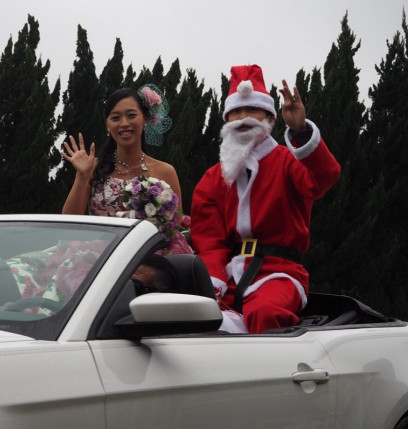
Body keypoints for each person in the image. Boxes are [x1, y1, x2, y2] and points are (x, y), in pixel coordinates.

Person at [190, 64, 341, 334]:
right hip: (230, 276)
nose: (243, 118)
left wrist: (301, 131)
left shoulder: (288, 162)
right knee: (200, 322)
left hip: (279, 273)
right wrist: (212, 284)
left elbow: (323, 178)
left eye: (251, 111)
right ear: (226, 119)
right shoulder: (213, 178)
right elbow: (210, 242)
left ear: (269, 118)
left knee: (266, 313)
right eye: (236, 111)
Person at [61, 85, 192, 255]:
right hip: (95, 258)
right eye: (115, 118)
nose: (124, 124)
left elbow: (174, 227)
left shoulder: (165, 171)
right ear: (107, 124)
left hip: (147, 259)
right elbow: (69, 221)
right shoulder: (92, 168)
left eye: (131, 115)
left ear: (145, 118)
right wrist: (82, 176)